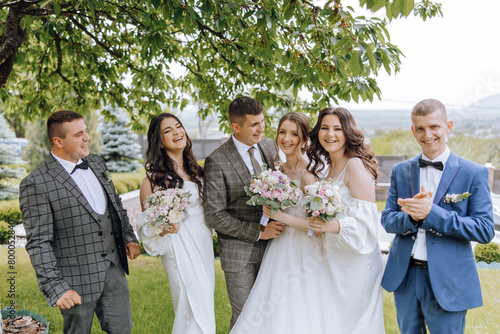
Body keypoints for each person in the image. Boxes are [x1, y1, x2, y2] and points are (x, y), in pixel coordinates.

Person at [20, 110, 141, 334]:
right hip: (74, 281)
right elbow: (39, 243)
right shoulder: (36, 183)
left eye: (85, 131)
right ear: (58, 141)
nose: (87, 137)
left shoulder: (96, 163)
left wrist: (128, 237)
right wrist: (56, 288)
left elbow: (116, 206)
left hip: (114, 270)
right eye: (78, 134)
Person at [381, 99, 495, 333]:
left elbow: (484, 229)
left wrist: (433, 214)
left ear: (448, 126)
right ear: (413, 130)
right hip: (405, 276)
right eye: (420, 128)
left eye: (434, 127)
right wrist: (412, 218)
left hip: (449, 279)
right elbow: (387, 220)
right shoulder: (401, 171)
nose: (427, 134)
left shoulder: (474, 173)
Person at [230, 112, 336, 333]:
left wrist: (282, 217)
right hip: (279, 247)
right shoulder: (278, 170)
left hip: (304, 252)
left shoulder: (308, 176)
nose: (286, 139)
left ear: (304, 140)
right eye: (282, 132)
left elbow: (317, 229)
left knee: (297, 308)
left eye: (294, 134)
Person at [203, 96, 283, 328]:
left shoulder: (269, 146)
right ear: (235, 127)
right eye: (254, 124)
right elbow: (215, 215)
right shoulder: (216, 160)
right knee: (246, 317)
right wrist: (260, 232)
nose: (261, 129)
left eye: (262, 122)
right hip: (239, 254)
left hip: (275, 247)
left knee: (272, 314)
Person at [306, 107, 385, 333]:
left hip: (357, 260)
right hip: (334, 256)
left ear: (347, 132)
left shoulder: (355, 166)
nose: (330, 134)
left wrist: (331, 225)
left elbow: (367, 224)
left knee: (356, 323)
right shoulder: (328, 167)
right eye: (324, 128)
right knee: (335, 322)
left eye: (337, 129)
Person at [136, 113, 215, 334]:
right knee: (188, 303)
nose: (177, 133)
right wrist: (164, 228)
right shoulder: (153, 181)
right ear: (159, 142)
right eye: (168, 131)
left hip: (203, 241)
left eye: (178, 127)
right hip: (178, 244)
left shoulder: (197, 172)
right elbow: (147, 224)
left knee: (205, 297)